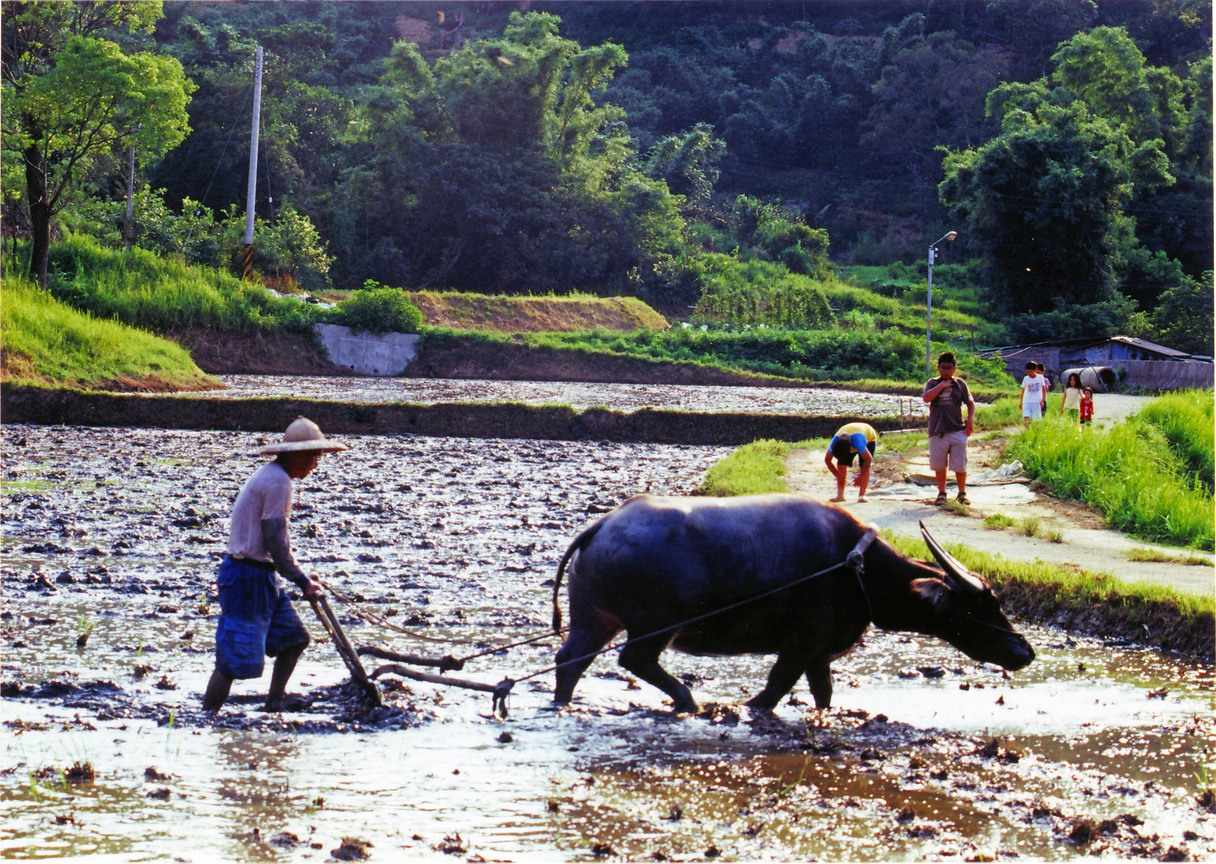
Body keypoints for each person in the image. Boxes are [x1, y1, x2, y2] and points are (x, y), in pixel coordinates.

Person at [203, 417, 348, 713]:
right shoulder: (278, 482)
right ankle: (207, 718)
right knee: (231, 660)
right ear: (294, 455)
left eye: (316, 458)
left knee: (294, 639)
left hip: (263, 577)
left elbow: (275, 548)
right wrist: (303, 580)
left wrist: (296, 577)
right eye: (311, 458)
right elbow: (276, 541)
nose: (314, 465)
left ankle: (274, 702)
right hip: (246, 577)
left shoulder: (273, 476)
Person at [923, 351, 976, 506]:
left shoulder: (960, 384)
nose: (946, 371)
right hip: (937, 431)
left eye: (949, 368)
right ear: (938, 368)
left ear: (954, 369)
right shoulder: (932, 383)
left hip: (957, 430)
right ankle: (941, 492)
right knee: (939, 465)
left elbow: (970, 403)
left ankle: (961, 493)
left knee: (960, 464)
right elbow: (926, 398)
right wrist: (942, 385)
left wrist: (970, 420)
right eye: (943, 368)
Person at [823, 422, 878, 503]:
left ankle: (862, 495)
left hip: (869, 436)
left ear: (850, 449)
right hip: (850, 434)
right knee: (841, 464)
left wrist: (861, 477)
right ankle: (840, 495)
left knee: (864, 465)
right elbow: (827, 460)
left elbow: (868, 460)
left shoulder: (858, 443)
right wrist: (838, 475)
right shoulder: (835, 442)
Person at [1020, 361, 1047, 425]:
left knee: (1036, 421)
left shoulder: (1040, 378)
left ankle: (1034, 432)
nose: (1029, 373)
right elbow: (1023, 391)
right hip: (1027, 401)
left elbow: (1044, 390)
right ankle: (1027, 432)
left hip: (1036, 402)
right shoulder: (1026, 378)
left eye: (1030, 371)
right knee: (1026, 418)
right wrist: (1021, 402)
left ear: (1035, 370)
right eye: (1027, 371)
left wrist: (1043, 400)